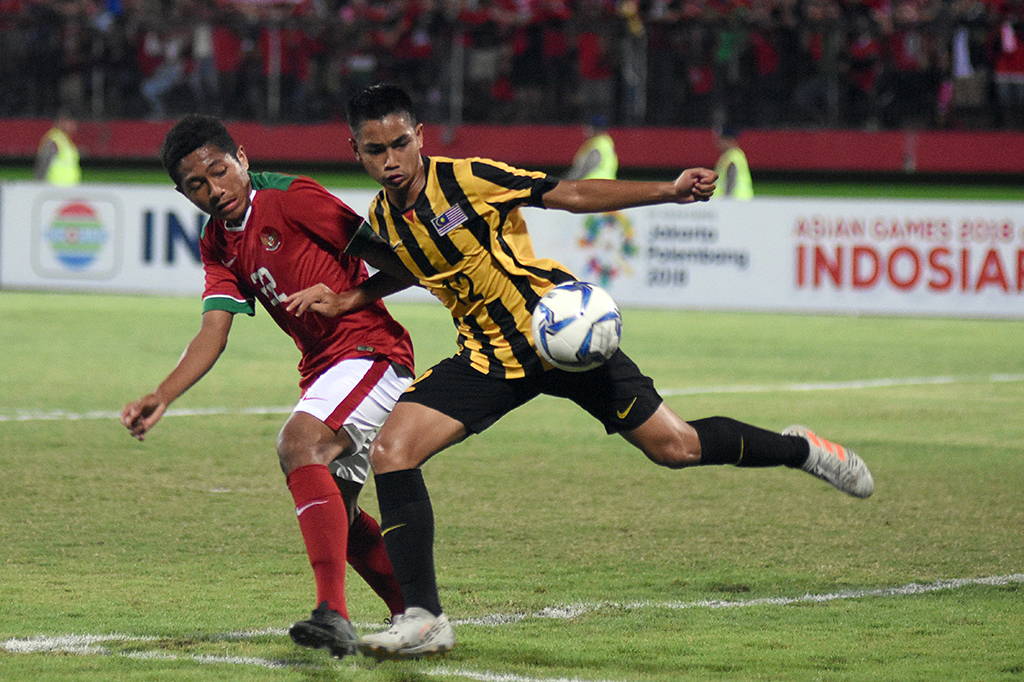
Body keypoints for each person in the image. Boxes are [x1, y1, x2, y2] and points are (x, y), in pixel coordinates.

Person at [285, 83, 873, 661]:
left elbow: (568, 194)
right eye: (374, 150)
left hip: (563, 335)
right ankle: (423, 618)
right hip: (489, 357)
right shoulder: (383, 217)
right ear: (355, 151)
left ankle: (800, 449)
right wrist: (347, 299)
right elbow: (412, 265)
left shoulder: (466, 180)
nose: (390, 161)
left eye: (398, 145)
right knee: (393, 449)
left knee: (676, 447)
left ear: (419, 136)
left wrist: (667, 191)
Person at [120, 114, 417, 659]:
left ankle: (333, 614)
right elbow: (214, 330)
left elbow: (405, 264)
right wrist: (162, 393)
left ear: (242, 158)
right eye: (196, 186)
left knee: (297, 444)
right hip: (326, 368)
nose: (215, 190)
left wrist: (346, 297)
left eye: (220, 171)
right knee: (341, 521)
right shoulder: (216, 242)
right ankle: (416, 616)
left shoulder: (292, 198)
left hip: (373, 351)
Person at [565, 114, 618, 180]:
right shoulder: (606, 142)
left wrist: (566, 182)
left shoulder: (597, 145)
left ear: (595, 128)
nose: (585, 130)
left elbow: (585, 168)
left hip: (592, 185)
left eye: (587, 127)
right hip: (605, 184)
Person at [34, 114, 81, 186]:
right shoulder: (54, 139)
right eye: (70, 122)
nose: (73, 126)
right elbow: (44, 161)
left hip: (69, 185)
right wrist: (39, 182)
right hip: (55, 185)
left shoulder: (65, 140)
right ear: (61, 123)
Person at [712, 127, 753, 201]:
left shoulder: (732, 157)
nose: (717, 144)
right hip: (741, 199)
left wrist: (727, 199)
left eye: (720, 140)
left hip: (735, 200)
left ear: (728, 141)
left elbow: (731, 179)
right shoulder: (736, 155)